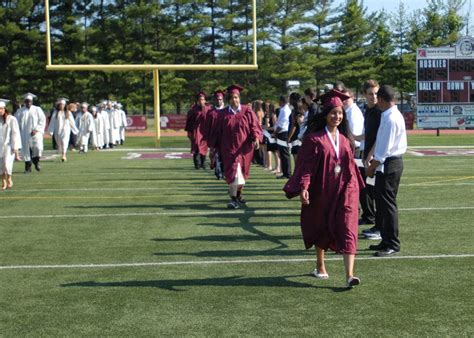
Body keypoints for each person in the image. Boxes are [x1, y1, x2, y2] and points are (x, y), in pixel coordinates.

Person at [283, 89, 364, 288]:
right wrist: (304, 187)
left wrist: (355, 188)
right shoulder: (314, 140)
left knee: (348, 227)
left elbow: (349, 167)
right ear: (326, 114)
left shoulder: (346, 141)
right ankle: (320, 264)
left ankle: (349, 275)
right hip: (322, 190)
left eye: (340, 113)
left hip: (344, 190)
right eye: (333, 113)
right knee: (321, 227)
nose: (337, 116)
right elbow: (306, 167)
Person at [366, 85, 407, 257]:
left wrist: (370, 167)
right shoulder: (389, 114)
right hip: (387, 163)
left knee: (388, 205)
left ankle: (392, 243)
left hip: (390, 164)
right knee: (382, 205)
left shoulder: (391, 118)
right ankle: (385, 239)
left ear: (381, 99)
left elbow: (383, 150)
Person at [208, 85, 262, 209]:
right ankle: (233, 199)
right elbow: (217, 132)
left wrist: (256, 138)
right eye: (232, 98)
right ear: (229, 100)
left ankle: (238, 194)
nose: (235, 100)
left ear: (239, 98)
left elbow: (254, 126)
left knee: (242, 175)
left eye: (236, 97)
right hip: (229, 149)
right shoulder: (222, 114)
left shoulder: (247, 111)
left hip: (245, 149)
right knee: (233, 173)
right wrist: (213, 148)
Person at [359, 80, 382, 236]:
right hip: (368, 158)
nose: (374, 97)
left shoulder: (380, 112)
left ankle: (381, 228)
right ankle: (375, 223)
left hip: (376, 160)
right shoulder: (368, 110)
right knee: (369, 190)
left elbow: (380, 138)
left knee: (378, 194)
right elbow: (369, 135)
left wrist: (370, 156)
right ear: (364, 95)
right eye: (370, 94)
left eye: (376, 93)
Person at [15, 93, 46, 173]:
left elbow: (42, 120)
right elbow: (16, 123)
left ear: (32, 102)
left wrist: (36, 129)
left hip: (36, 133)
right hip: (24, 134)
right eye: (27, 101)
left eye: (30, 101)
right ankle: (28, 167)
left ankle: (36, 161)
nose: (28, 103)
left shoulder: (37, 109)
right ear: (24, 102)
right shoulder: (20, 111)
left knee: (38, 148)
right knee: (25, 150)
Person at [185, 92, 211, 169]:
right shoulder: (193, 110)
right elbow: (189, 122)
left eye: (202, 99)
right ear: (197, 101)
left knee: (204, 148)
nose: (201, 101)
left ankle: (203, 163)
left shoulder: (208, 109)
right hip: (196, 132)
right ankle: (197, 164)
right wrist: (189, 132)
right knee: (196, 147)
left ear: (205, 100)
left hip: (204, 132)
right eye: (199, 100)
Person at [0, 99, 22, 190]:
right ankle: (3, 181)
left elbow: (15, 133)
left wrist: (15, 148)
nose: (0, 111)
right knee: (0, 165)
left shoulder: (11, 119)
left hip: (8, 146)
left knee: (7, 164)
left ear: (4, 109)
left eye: (1, 109)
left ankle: (9, 178)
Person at [206, 90, 226, 179]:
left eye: (220, 99)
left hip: (225, 138)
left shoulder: (227, 111)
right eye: (217, 99)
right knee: (217, 155)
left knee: (225, 156)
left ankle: (224, 172)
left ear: (223, 100)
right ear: (215, 100)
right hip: (215, 138)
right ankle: (219, 173)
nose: (219, 101)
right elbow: (207, 126)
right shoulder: (211, 112)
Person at [274, 95, 292, 179]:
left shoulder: (284, 110)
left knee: (284, 154)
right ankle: (285, 172)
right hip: (282, 133)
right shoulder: (284, 109)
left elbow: (282, 124)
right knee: (282, 154)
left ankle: (287, 173)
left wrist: (275, 132)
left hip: (283, 133)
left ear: (281, 101)